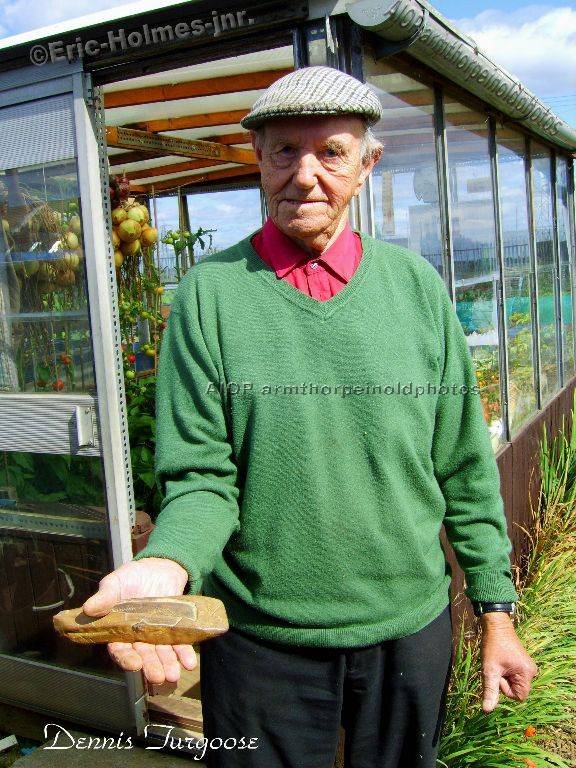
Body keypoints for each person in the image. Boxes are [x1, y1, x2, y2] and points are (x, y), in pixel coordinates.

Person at [83, 66, 538, 767]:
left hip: (408, 630)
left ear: (367, 163)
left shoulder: (415, 290)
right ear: (258, 160)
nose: (304, 175)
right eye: (283, 151)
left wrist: (496, 613)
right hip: (259, 643)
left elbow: (463, 467)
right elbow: (202, 476)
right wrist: (167, 562)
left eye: (330, 151)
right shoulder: (211, 298)